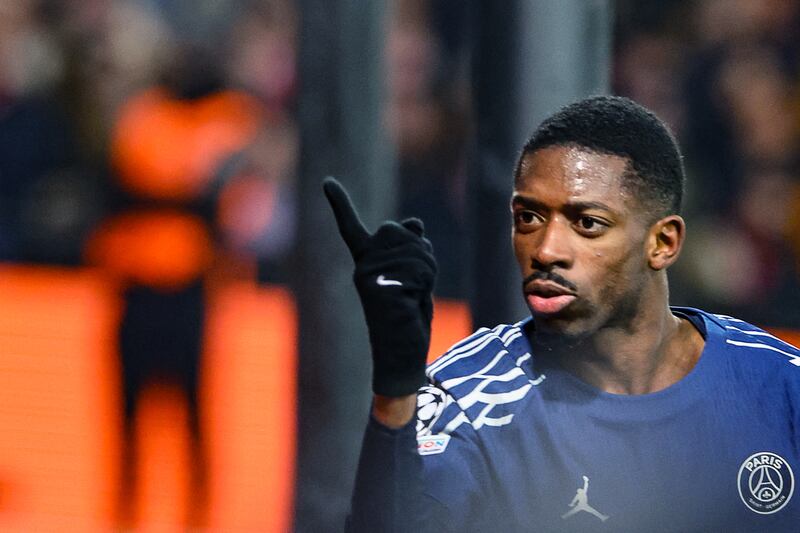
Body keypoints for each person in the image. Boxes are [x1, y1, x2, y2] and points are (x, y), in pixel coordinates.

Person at [324, 96, 800, 532]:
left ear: (663, 243)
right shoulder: (470, 398)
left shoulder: (780, 386)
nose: (546, 250)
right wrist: (394, 391)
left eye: (587, 223)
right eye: (528, 218)